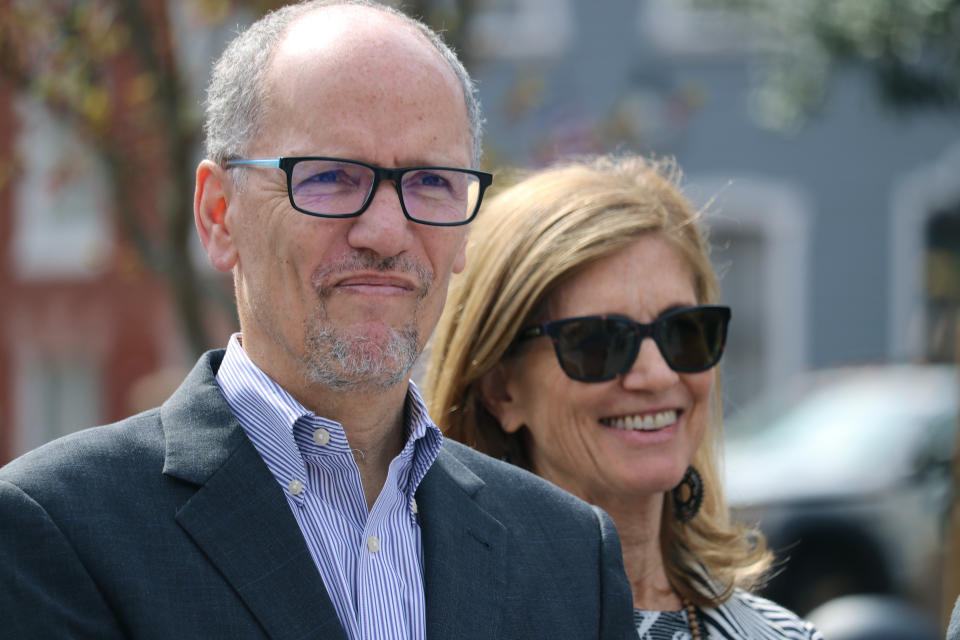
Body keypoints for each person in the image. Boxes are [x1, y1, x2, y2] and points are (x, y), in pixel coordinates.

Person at [0, 3, 637, 638]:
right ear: (220, 215)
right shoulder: (57, 530)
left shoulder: (571, 557)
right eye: (330, 176)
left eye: (431, 183)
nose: (387, 232)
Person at [425, 154, 824, 639]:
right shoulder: (421, 621)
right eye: (599, 341)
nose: (657, 375)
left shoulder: (782, 636)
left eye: (684, 332)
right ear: (500, 390)